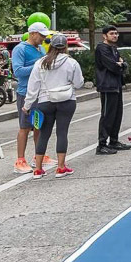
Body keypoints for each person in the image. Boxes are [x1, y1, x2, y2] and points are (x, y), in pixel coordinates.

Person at [22, 34, 85, 178]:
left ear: (50, 45)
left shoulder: (40, 63)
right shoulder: (72, 62)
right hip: (67, 100)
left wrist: (27, 105)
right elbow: (79, 83)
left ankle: (38, 169)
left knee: (43, 134)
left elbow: (33, 86)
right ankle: (61, 167)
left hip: (45, 101)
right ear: (65, 46)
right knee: (62, 132)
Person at [11, 22, 48, 173]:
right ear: (32, 33)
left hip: (41, 92)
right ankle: (20, 160)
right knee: (25, 127)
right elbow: (18, 71)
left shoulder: (41, 48)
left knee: (38, 125)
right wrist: (38, 65)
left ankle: (38, 156)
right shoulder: (20, 49)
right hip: (25, 92)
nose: (44, 38)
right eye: (41, 35)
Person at [94, 25, 129, 155]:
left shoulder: (113, 48)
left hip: (116, 84)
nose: (115, 36)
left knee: (117, 114)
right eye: (112, 34)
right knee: (107, 115)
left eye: (116, 33)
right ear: (104, 35)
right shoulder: (101, 48)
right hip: (107, 85)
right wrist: (119, 64)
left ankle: (114, 141)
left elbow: (123, 64)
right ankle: (102, 144)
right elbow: (113, 66)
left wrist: (122, 64)